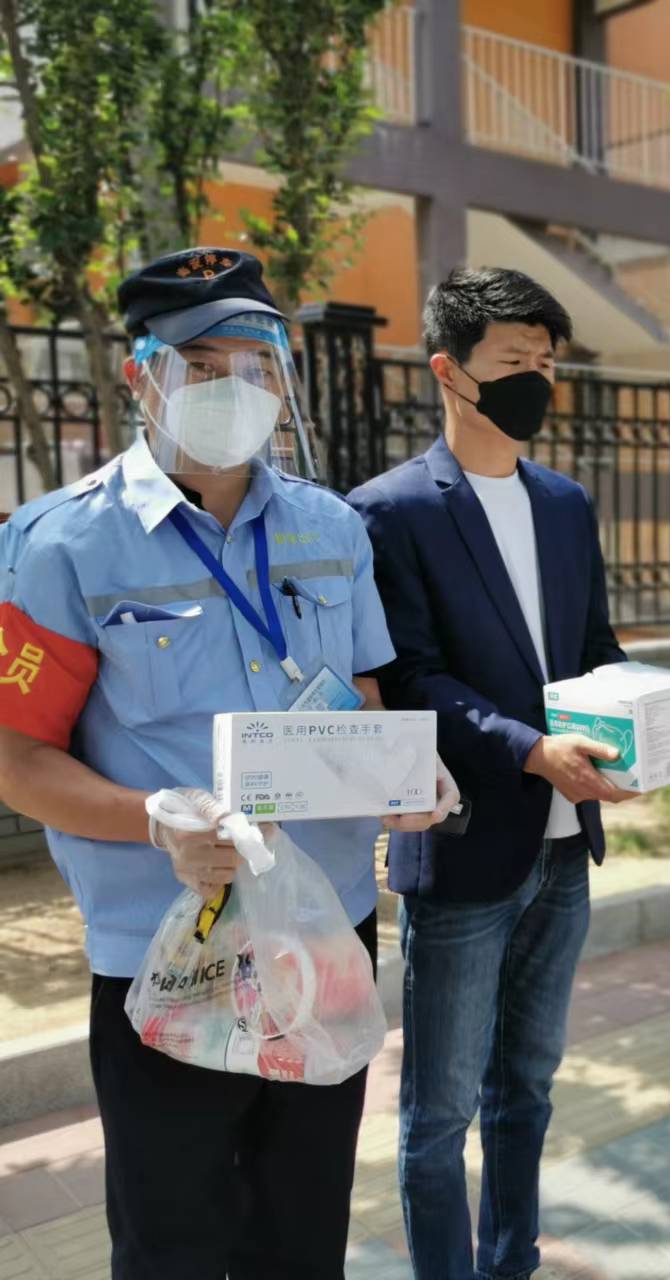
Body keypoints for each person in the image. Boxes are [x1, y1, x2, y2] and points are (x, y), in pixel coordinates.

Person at [0, 248, 451, 1278]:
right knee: (173, 1242)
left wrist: (405, 778)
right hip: (170, 950)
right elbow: (17, 759)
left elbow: (364, 699)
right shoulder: (62, 545)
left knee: (302, 1232)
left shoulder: (331, 530)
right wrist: (154, 818)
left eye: (253, 365)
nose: (233, 389)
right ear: (141, 376)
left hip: (322, 935)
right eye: (202, 366)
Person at [347, 267, 634, 1280]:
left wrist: (642, 729)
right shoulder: (389, 512)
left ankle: (512, 1262)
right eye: (515, 361)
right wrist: (526, 747)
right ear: (448, 370)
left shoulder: (564, 504)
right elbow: (410, 675)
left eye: (546, 362)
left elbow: (595, 651)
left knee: (529, 1090)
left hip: (564, 851)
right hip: (465, 850)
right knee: (439, 1114)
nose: (536, 381)